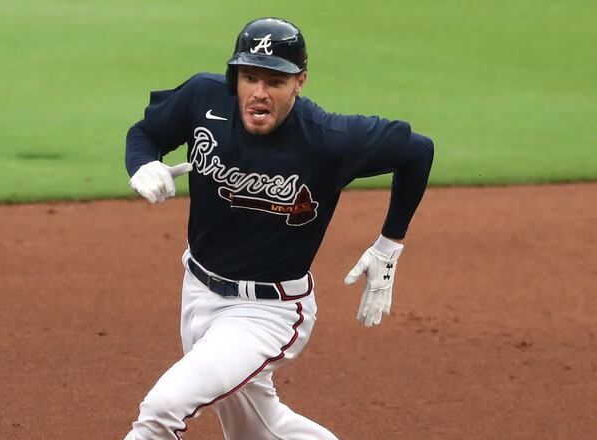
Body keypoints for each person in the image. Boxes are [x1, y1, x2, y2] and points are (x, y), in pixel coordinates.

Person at [123, 17, 434, 440]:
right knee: (259, 431)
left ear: (300, 82)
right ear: (235, 77)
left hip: (267, 312)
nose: (259, 92)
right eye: (249, 77)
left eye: (275, 80)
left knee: (161, 410)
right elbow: (146, 132)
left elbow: (418, 151)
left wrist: (388, 245)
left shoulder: (329, 139)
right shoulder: (203, 98)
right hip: (196, 292)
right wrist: (142, 163)